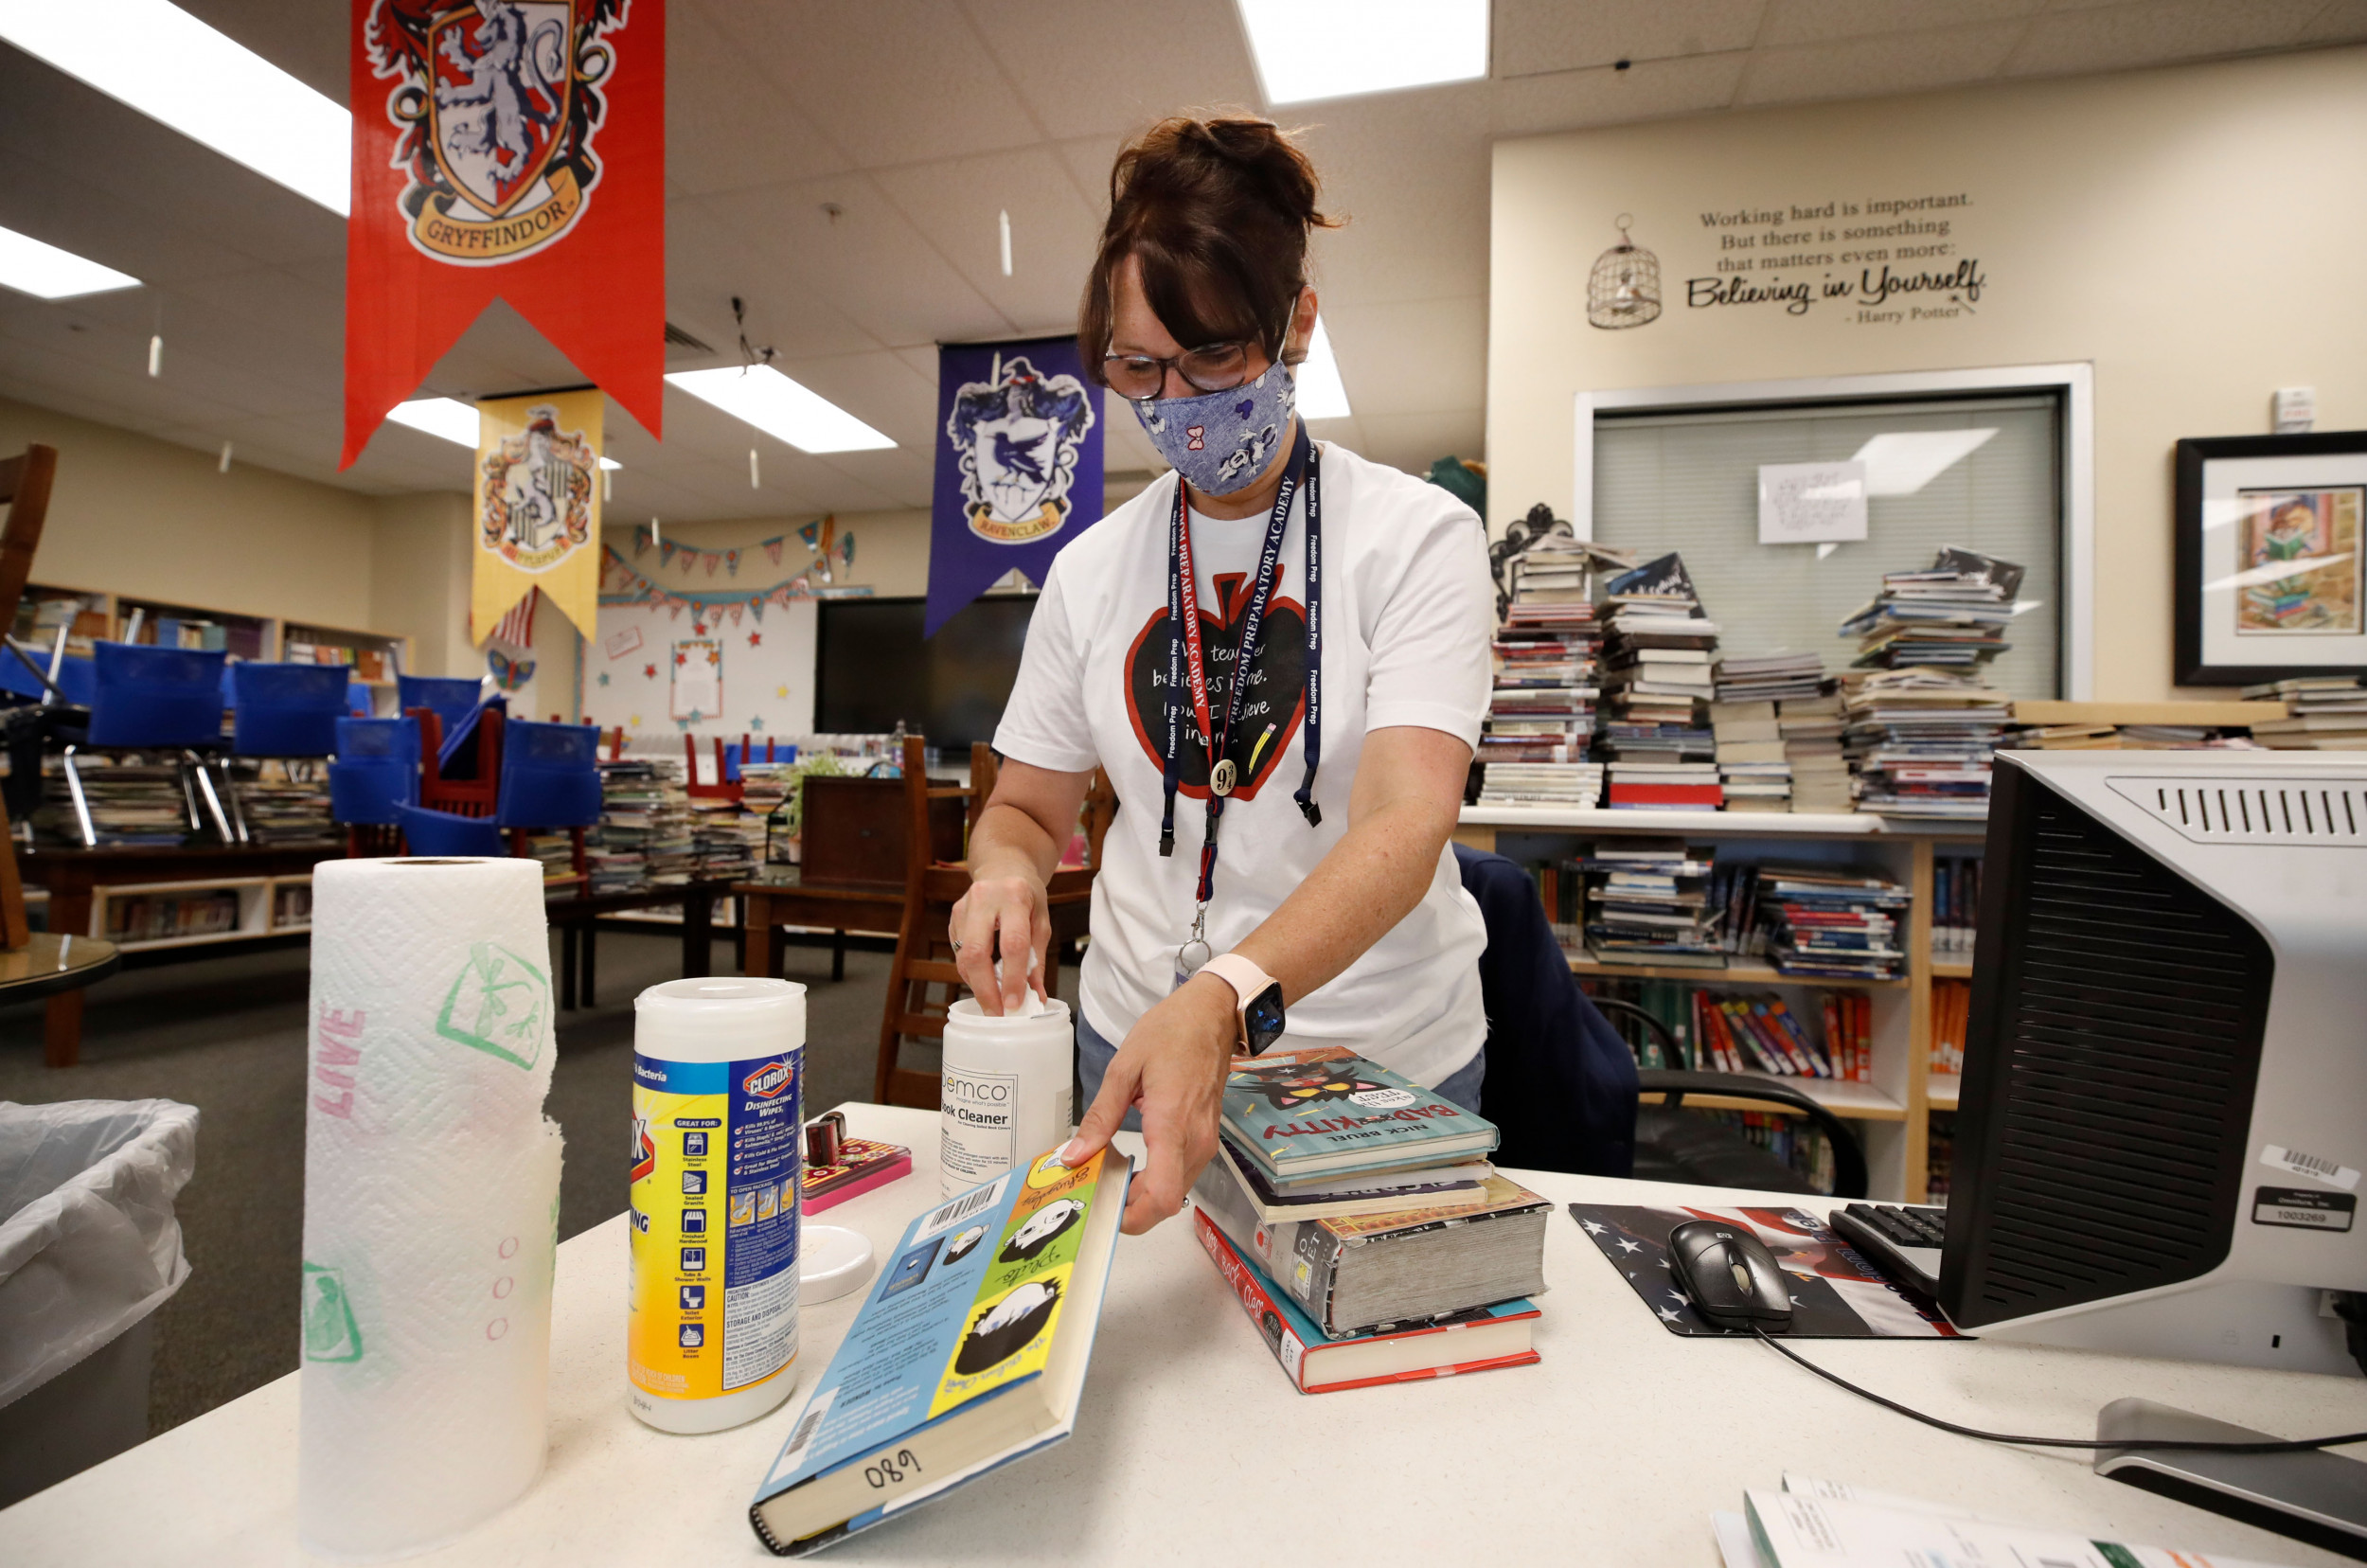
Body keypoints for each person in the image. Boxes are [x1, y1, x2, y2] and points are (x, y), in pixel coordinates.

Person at [952, 115, 1493, 1235]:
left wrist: (1224, 996)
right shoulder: (1091, 568)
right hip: (1130, 1039)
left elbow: (1406, 821)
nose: (1178, 403)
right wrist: (1003, 873)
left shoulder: (1416, 537)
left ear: (1298, 323)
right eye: (1138, 367)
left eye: (1212, 357)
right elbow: (1024, 808)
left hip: (1371, 1066)